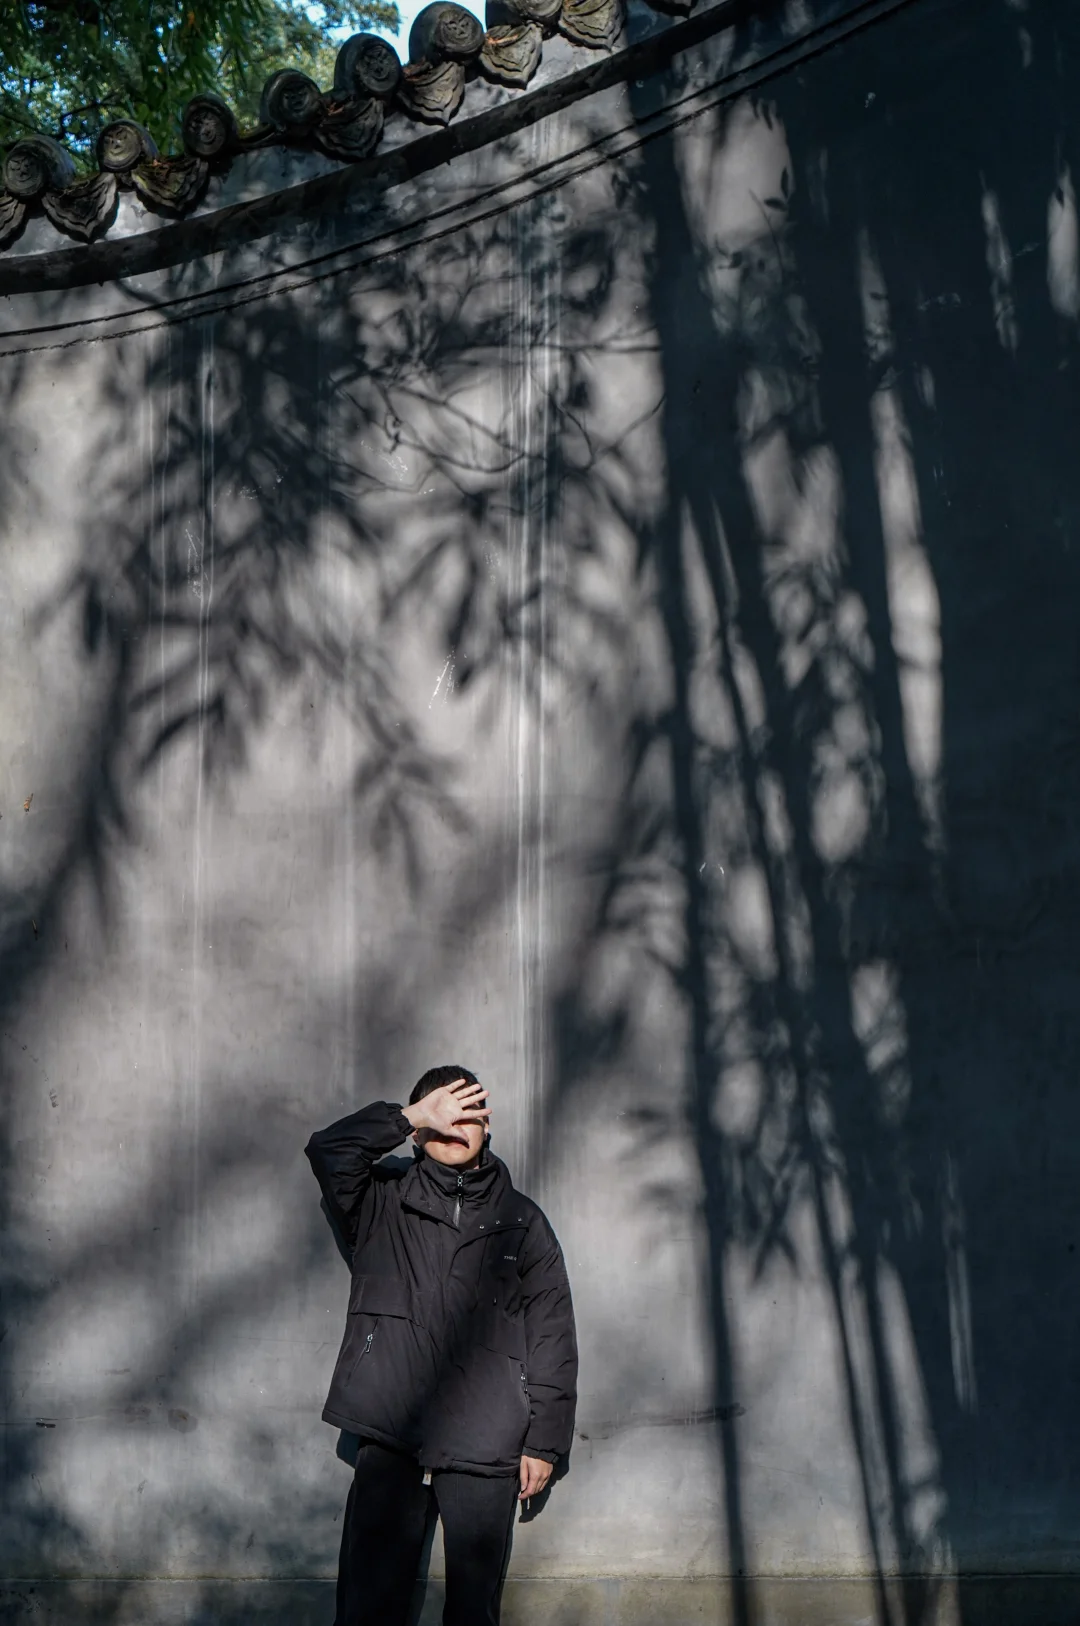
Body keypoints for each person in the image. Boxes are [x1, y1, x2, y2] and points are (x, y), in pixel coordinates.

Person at [305, 1066, 578, 1626]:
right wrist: (408, 1116)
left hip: (488, 1438)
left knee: (474, 1612)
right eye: (441, 1113)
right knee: (368, 1608)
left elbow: (553, 1332)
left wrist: (545, 1443)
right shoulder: (380, 1198)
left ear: (487, 1124)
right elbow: (329, 1151)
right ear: (420, 1126)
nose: (454, 1125)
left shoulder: (522, 1221)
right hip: (391, 1426)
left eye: (467, 1113)